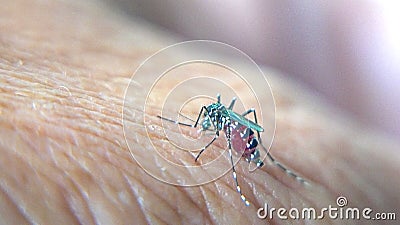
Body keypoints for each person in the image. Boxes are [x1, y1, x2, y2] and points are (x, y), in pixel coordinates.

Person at [0, 0, 399, 224]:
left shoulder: (227, 123)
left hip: (251, 142)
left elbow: (230, 128)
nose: (208, 120)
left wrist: (238, 150)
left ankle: (267, 166)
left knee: (235, 137)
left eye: (209, 117)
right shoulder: (219, 112)